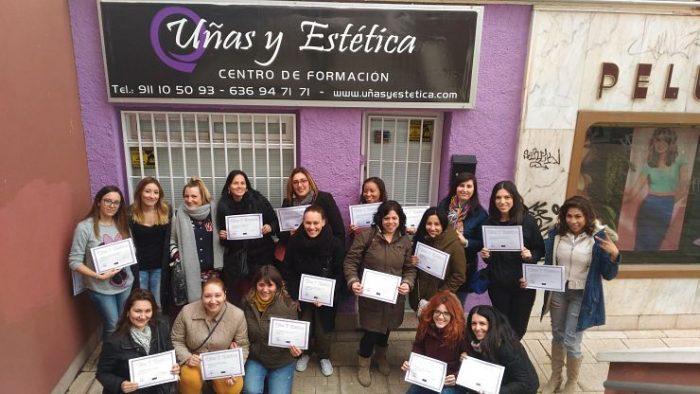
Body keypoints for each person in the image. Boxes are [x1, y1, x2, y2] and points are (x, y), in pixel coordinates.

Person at [529, 196, 620, 394]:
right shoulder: (557, 233)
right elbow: (545, 257)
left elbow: (609, 274)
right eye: (569, 216)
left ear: (587, 217)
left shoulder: (598, 237)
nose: (573, 220)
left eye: (578, 216)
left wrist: (613, 255)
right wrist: (530, 265)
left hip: (582, 295)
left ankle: (572, 381)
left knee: (572, 338)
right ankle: (555, 377)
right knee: (557, 335)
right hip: (558, 291)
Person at [344, 200, 416, 387]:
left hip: (394, 299)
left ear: (400, 219)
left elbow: (410, 268)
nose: (390, 222)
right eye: (386, 218)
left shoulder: (405, 241)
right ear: (380, 218)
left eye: (394, 218)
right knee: (370, 333)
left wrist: (408, 283)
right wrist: (354, 281)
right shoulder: (367, 237)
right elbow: (350, 262)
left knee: (387, 329)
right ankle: (364, 362)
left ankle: (381, 356)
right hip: (371, 298)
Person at [282, 205, 345, 376]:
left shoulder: (335, 244)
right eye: (308, 223)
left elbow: (340, 272)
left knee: (324, 329)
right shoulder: (295, 242)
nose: (312, 227)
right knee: (305, 325)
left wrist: (327, 294)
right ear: (303, 222)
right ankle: (306, 353)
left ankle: (324, 356)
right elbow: (288, 270)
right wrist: (295, 296)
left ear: (323, 222)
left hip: (326, 296)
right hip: (301, 295)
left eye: (316, 223)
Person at [479, 181, 544, 339]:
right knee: (501, 328)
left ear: (514, 198)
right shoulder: (489, 223)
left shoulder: (527, 221)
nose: (502, 202)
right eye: (498, 198)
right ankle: (502, 359)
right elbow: (491, 258)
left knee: (518, 330)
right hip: (498, 285)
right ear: (493, 201)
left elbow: (540, 249)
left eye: (507, 197)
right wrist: (486, 256)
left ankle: (511, 358)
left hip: (523, 286)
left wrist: (530, 256)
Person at [69, 185, 134, 339]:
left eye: (116, 202)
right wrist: (97, 275)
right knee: (112, 324)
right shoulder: (85, 227)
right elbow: (74, 261)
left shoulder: (122, 224)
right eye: (107, 201)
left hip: (125, 285)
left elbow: (130, 252)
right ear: (98, 202)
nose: (112, 206)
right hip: (100, 287)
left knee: (124, 323)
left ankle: (122, 357)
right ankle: (108, 361)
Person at [171, 278, 249, 394]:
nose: (213, 301)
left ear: (225, 295)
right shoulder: (187, 311)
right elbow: (176, 339)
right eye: (207, 296)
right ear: (201, 296)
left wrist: (235, 368)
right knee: (190, 380)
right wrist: (187, 357)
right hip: (195, 359)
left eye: (218, 295)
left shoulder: (237, 315)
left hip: (221, 361)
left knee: (233, 386)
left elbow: (243, 345)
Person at [96, 288, 179, 394]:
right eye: (137, 311)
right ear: (127, 312)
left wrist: (175, 365)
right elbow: (102, 373)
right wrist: (120, 384)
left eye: (147, 311)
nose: (143, 316)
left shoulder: (161, 329)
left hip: (158, 389)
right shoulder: (114, 341)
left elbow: (170, 352)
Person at [216, 170, 278, 304]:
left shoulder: (258, 200)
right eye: (235, 183)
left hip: (261, 255)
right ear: (229, 186)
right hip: (236, 260)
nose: (239, 186)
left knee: (261, 293)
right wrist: (223, 236)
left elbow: (274, 220)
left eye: (242, 183)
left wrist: (270, 227)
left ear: (247, 185)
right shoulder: (222, 206)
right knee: (241, 297)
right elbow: (221, 235)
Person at [624, 128, 688, 251]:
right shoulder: (649, 164)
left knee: (654, 245)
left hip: (666, 206)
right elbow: (634, 191)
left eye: (665, 141)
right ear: (653, 142)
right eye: (658, 140)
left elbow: (684, 185)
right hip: (648, 205)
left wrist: (669, 202)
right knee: (640, 244)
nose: (660, 144)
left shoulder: (680, 160)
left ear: (671, 144)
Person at [241, 265, 301, 394]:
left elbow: (296, 335)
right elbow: (239, 330)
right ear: (255, 285)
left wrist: (297, 350)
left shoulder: (288, 305)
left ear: (278, 287)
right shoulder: (246, 303)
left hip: (281, 361)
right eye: (261, 285)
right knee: (250, 391)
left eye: (270, 285)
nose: (265, 290)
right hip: (256, 358)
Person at [401, 291, 468, 394]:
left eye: (446, 313)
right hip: (428, 375)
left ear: (453, 315)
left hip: (448, 381)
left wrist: (457, 376)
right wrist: (412, 363)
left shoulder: (461, 333)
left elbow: (470, 364)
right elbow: (418, 346)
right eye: (437, 312)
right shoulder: (425, 325)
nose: (440, 317)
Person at [170, 178, 224, 306]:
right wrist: (178, 256)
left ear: (202, 196)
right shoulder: (178, 215)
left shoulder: (215, 212)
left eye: (194, 196)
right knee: (194, 308)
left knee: (214, 305)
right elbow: (172, 240)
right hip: (189, 273)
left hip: (214, 272)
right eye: (186, 196)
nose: (189, 200)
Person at [465, 305, 538, 394]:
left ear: (492, 324)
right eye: (473, 323)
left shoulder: (507, 347)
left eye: (482, 323)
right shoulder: (474, 341)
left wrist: (496, 391)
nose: (477, 328)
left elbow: (527, 383)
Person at [437, 172, 488, 297]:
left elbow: (482, 242)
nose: (465, 190)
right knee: (437, 303)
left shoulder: (480, 214)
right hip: (440, 263)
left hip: (464, 267)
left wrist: (466, 242)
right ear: (455, 187)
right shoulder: (444, 206)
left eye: (469, 186)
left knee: (457, 307)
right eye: (461, 185)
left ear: (474, 190)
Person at [409, 208, 466, 315]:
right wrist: (412, 262)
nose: (432, 228)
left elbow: (459, 276)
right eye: (429, 223)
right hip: (419, 298)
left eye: (437, 224)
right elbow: (414, 269)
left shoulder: (454, 245)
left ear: (443, 224)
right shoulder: (421, 239)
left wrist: (439, 296)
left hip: (440, 303)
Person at [129, 177, 171, 309]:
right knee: (140, 304)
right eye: (147, 191)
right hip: (139, 267)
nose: (152, 196)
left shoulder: (166, 211)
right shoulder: (129, 213)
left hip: (159, 266)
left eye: (156, 192)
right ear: (140, 192)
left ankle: (156, 329)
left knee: (157, 304)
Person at [281, 167, 345, 242]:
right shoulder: (288, 203)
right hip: (297, 250)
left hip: (322, 249)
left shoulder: (324, 199)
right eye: (295, 182)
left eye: (303, 181)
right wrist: (289, 234)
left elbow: (338, 230)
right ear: (291, 185)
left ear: (309, 182)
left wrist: (337, 251)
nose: (299, 185)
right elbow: (281, 235)